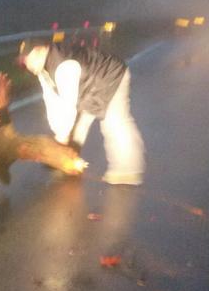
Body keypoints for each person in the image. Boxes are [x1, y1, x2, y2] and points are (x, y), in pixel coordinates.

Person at [18, 37, 145, 185]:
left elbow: (67, 104)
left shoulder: (64, 66)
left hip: (110, 76)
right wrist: (59, 136)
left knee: (114, 123)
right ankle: (66, 160)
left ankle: (128, 171)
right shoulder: (43, 71)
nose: (27, 64)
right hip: (88, 87)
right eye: (24, 61)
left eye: (29, 58)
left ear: (42, 50)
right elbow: (51, 101)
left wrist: (61, 137)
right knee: (78, 124)